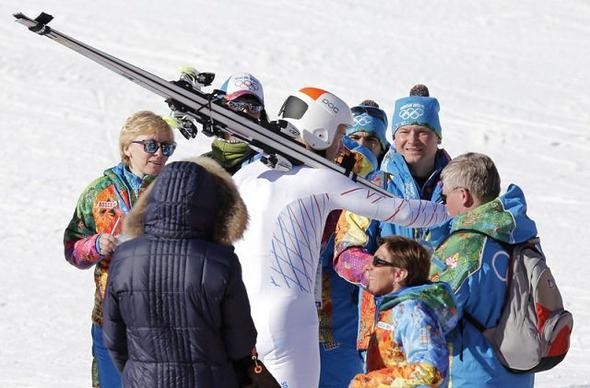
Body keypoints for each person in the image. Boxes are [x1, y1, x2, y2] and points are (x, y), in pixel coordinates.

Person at [232, 87, 449, 388]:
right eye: (341, 134)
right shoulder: (319, 179)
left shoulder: (245, 175)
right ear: (321, 132)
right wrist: (452, 208)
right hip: (290, 317)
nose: (342, 146)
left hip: (242, 314)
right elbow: (403, 211)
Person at [102, 157, 257, 388]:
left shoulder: (124, 258)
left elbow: (114, 339)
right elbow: (240, 343)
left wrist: (138, 373)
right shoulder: (221, 261)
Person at [334, 85, 452, 359]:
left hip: (442, 324)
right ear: (394, 137)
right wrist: (387, 277)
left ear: (437, 136)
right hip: (383, 323)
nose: (413, 140)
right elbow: (345, 252)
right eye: (404, 132)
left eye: (422, 131)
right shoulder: (374, 185)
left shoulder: (457, 186)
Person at [63, 111, 176, 388]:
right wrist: (96, 245)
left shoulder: (175, 190)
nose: (159, 154)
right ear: (127, 148)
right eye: (151, 145)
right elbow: (72, 248)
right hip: (111, 320)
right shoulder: (100, 193)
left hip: (163, 321)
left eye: (166, 147)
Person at [429, 152, 536, 387]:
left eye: (446, 197)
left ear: (464, 196)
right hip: (518, 370)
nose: (444, 205)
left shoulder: (465, 243)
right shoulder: (519, 235)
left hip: (473, 373)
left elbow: (436, 312)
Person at [318, 100, 389, 388]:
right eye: (355, 138)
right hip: (318, 314)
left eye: (371, 140)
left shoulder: (386, 194)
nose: (363, 146)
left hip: (355, 324)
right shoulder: (322, 184)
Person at [350, 236, 457, 387]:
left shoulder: (412, 311)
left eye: (378, 262)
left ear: (399, 274)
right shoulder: (391, 308)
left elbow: (430, 370)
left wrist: (370, 383)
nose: (368, 267)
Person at [205, 72, 269, 174]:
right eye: (236, 104)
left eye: (254, 107)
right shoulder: (201, 165)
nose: (245, 112)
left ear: (261, 114)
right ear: (221, 108)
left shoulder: (266, 164)